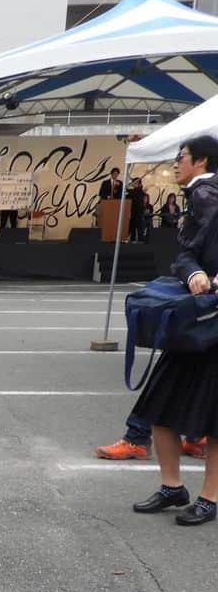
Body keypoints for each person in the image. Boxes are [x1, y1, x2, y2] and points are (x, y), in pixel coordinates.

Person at [129, 134, 218, 525]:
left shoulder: (206, 193)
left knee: (214, 419)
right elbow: (185, 254)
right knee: (159, 406)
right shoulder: (198, 197)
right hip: (193, 318)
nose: (176, 163)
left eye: (181, 157)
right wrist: (196, 271)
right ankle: (172, 487)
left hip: (211, 325)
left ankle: (209, 498)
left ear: (200, 161)